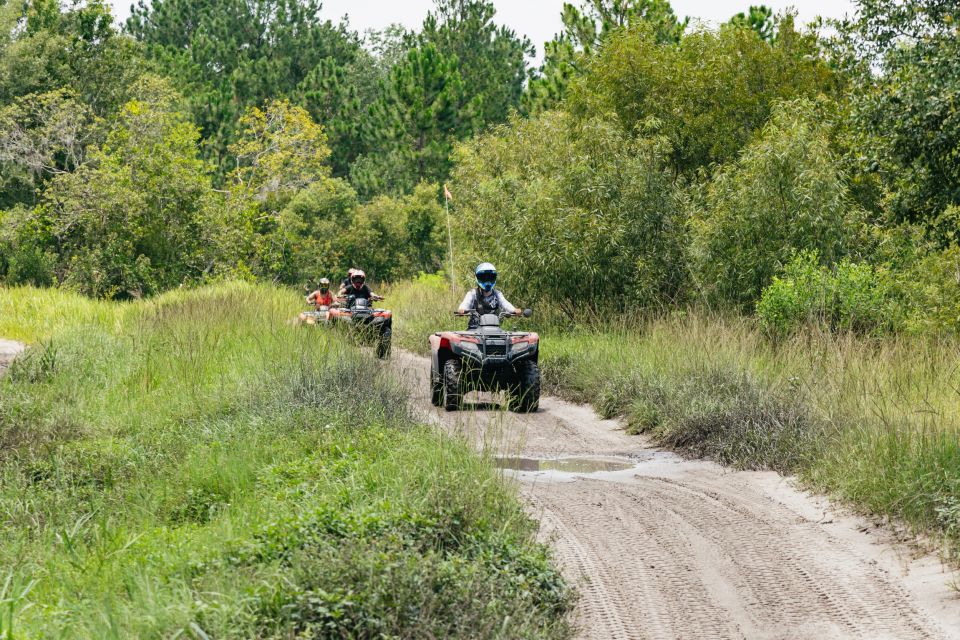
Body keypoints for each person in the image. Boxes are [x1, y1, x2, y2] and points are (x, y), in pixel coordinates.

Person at [457, 262, 519, 329]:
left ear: (494, 278)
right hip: (474, 330)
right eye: (484, 277)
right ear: (478, 278)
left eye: (490, 277)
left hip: (494, 329)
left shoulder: (497, 294)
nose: (487, 281)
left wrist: (514, 310)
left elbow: (505, 303)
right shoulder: (472, 293)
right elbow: (466, 303)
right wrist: (462, 309)